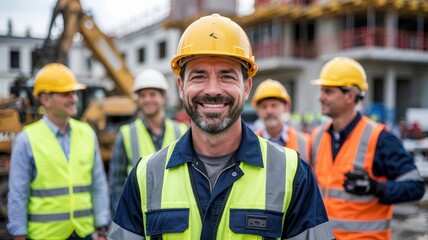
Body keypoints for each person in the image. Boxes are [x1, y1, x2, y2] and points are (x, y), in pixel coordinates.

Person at [108, 13, 334, 239]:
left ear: (246, 87)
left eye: (226, 76)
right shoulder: (144, 176)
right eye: (199, 76)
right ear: (181, 86)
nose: (213, 90)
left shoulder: (293, 174)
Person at [310, 57, 425, 240]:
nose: (320, 97)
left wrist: (376, 188)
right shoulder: (317, 137)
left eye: (328, 91)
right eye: (322, 90)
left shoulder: (380, 138)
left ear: (350, 95)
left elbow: (416, 187)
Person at [7, 63, 111, 240]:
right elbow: (18, 194)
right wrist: (19, 234)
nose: (74, 98)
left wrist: (102, 229)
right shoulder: (26, 140)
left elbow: (98, 185)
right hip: (44, 236)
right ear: (46, 99)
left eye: (74, 92)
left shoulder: (87, 134)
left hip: (83, 234)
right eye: (66, 94)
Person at [108, 68, 188, 212]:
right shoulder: (126, 134)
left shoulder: (181, 132)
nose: (147, 100)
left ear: (163, 97)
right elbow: (116, 183)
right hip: (138, 215)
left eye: (152, 94)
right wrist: (122, 215)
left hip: (175, 213)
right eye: (143, 95)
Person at [252, 79, 310, 161]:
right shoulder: (250, 141)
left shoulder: (304, 141)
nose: (269, 111)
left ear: (285, 107)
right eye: (264, 106)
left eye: (274, 105)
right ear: (258, 111)